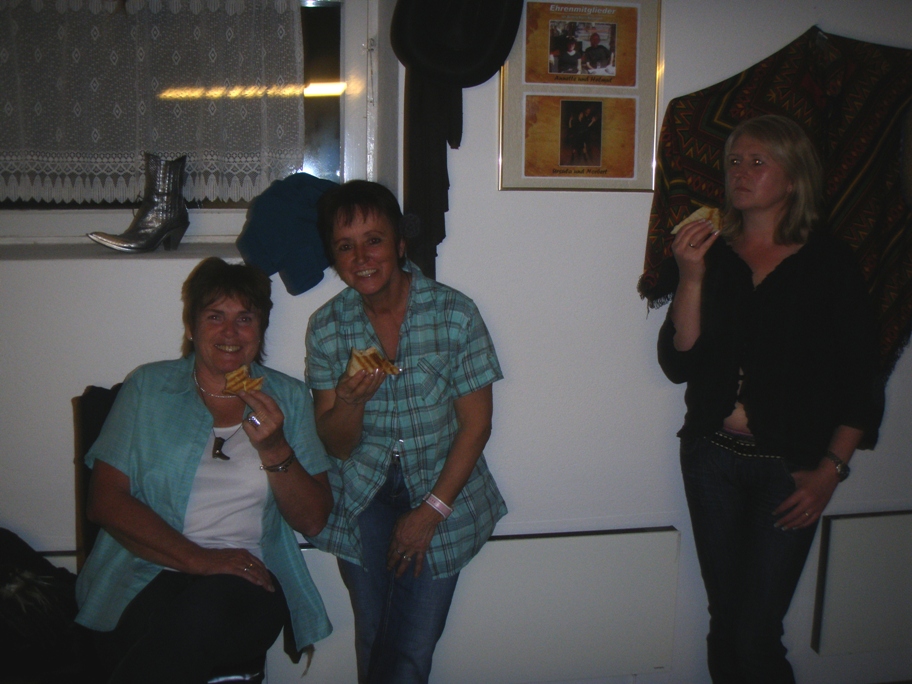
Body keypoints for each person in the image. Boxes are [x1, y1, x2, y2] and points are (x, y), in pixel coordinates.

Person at [658, 114, 884, 683]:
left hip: (791, 467)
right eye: (734, 161)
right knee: (724, 621)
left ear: (794, 176)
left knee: (756, 634)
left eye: (758, 161)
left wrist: (831, 471)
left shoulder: (829, 262)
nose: (740, 171)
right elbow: (679, 362)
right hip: (711, 458)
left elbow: (861, 380)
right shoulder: (712, 254)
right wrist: (690, 276)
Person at [75, 257, 334, 684]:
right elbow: (104, 501)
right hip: (145, 571)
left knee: (203, 611)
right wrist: (201, 560)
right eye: (215, 316)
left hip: (246, 583)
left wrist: (275, 448)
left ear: (260, 330)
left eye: (245, 318)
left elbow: (314, 520)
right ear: (191, 327)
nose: (230, 332)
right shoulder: (148, 387)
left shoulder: (288, 397)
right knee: (162, 627)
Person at [305, 180, 506, 684]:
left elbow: (477, 425)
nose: (361, 258)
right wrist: (350, 401)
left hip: (442, 487)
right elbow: (336, 444)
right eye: (345, 246)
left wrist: (430, 512)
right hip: (363, 492)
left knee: (412, 648)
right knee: (374, 636)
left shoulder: (455, 313)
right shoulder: (327, 327)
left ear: (398, 244)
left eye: (373, 240)